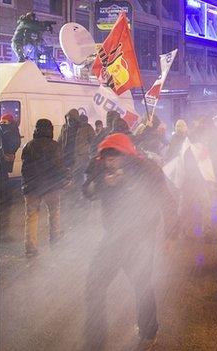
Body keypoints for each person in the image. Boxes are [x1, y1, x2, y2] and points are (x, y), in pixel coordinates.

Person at [82, 133, 176, 350]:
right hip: (113, 238)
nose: (110, 161)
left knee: (142, 285)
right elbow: (86, 191)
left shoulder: (148, 170)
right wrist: (99, 185)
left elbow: (167, 200)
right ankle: (95, 340)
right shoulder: (100, 169)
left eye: (115, 157)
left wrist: (170, 234)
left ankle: (149, 332)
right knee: (94, 283)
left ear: (127, 156)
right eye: (106, 157)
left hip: (141, 239)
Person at [21, 119, 70, 257]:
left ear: (36, 130)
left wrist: (26, 186)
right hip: (51, 187)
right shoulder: (55, 146)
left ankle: (31, 248)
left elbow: (25, 169)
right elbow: (59, 166)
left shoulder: (28, 146)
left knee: (31, 217)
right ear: (50, 130)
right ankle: (55, 240)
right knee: (54, 213)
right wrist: (67, 177)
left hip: (32, 188)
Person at [0, 114, 22, 240]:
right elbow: (14, 142)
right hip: (0, 173)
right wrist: (4, 156)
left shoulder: (0, 130)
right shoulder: (8, 131)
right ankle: (1, 234)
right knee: (4, 202)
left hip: (0, 171)